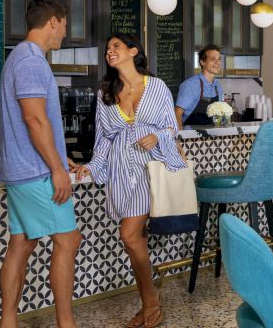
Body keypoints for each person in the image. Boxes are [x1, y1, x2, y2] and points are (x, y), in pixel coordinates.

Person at [76, 34, 187, 328]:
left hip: (151, 167)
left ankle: (151, 302)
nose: (109, 52)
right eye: (107, 48)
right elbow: (103, 139)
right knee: (133, 240)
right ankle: (148, 302)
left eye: (116, 47)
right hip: (122, 171)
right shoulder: (106, 92)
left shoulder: (157, 87)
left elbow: (171, 128)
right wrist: (91, 167)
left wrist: (157, 136)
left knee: (128, 235)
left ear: (133, 51)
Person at [0, 0, 82, 328]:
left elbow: (34, 121)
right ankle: (66, 324)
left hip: (19, 169)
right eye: (64, 24)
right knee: (68, 239)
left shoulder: (18, 57)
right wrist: (57, 169)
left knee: (22, 242)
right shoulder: (32, 61)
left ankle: (8, 322)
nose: (64, 32)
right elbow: (34, 119)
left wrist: (61, 156)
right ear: (54, 22)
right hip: (35, 172)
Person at [175, 44, 224, 128]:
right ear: (202, 62)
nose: (217, 63)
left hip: (212, 137)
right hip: (191, 138)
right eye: (212, 59)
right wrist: (180, 138)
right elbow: (177, 114)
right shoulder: (190, 85)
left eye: (219, 59)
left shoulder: (217, 86)